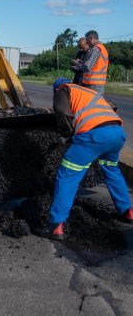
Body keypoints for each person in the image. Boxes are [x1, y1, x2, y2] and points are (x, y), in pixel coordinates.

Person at [40, 77, 133, 240]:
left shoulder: (63, 89)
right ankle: (128, 211)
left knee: (67, 175)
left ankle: (55, 226)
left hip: (94, 136)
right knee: (112, 170)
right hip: (117, 134)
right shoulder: (90, 92)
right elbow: (112, 106)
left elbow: (61, 111)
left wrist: (67, 135)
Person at [71, 30, 108, 95]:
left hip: (94, 84)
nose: (87, 43)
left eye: (87, 40)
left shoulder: (96, 49)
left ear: (91, 39)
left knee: (92, 104)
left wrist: (77, 64)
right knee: (96, 103)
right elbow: (93, 64)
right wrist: (81, 62)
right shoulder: (102, 48)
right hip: (96, 83)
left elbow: (87, 67)